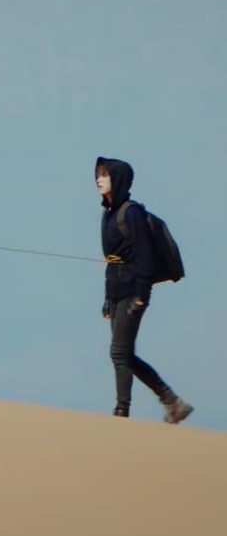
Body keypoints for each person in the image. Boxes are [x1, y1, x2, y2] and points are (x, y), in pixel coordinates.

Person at [96, 156, 191, 422]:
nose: (99, 178)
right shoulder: (107, 214)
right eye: (98, 174)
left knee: (118, 353)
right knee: (124, 354)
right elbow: (111, 259)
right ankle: (172, 401)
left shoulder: (132, 212)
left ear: (118, 178)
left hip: (132, 292)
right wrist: (106, 299)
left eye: (105, 174)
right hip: (115, 292)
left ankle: (121, 411)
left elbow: (146, 256)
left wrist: (141, 296)